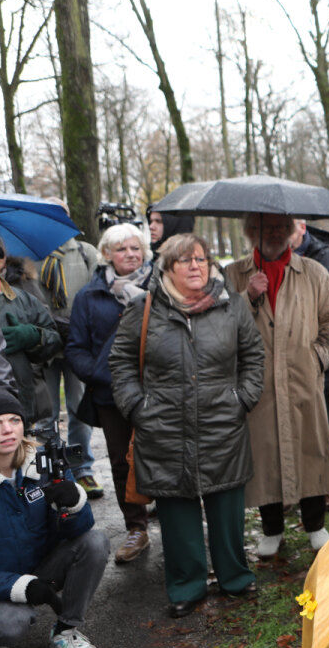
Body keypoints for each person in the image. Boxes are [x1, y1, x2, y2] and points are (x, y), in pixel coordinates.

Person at [111, 234, 265, 617]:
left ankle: (234, 576)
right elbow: (121, 361)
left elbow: (253, 355)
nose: (196, 266)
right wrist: (137, 407)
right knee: (177, 510)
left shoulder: (231, 307)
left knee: (226, 504)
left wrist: (242, 398)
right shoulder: (144, 308)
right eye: (185, 260)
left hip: (222, 422)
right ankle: (186, 584)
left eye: (201, 258)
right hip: (163, 425)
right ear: (167, 268)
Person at [224, 213, 329, 557]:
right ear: (250, 232)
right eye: (265, 227)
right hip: (257, 381)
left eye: (280, 227)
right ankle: (271, 529)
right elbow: (219, 323)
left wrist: (317, 358)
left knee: (311, 449)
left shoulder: (314, 272)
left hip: (303, 378)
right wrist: (248, 297)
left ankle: (316, 525)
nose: (273, 234)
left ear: (291, 232)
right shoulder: (233, 274)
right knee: (265, 452)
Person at [0, 387, 109, 648]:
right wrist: (22, 586)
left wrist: (73, 504)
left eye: (15, 420)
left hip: (39, 565)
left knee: (95, 542)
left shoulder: (44, 463)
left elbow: (78, 532)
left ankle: (65, 631)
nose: (8, 430)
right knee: (13, 622)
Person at [66, 224, 155, 564]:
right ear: (106, 254)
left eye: (135, 248)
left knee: (163, 455)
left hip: (156, 392)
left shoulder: (161, 288)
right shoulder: (89, 297)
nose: (130, 254)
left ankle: (176, 527)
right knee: (121, 461)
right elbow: (76, 349)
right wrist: (105, 376)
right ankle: (136, 527)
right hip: (110, 393)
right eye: (122, 249)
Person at [38, 200, 101, 498]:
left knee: (78, 411)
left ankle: (80, 469)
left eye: (61, 213)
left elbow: (95, 296)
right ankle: (53, 472)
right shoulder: (28, 255)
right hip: (41, 348)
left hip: (76, 345)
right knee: (45, 412)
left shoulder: (85, 252)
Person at [290, 220, 329, 512]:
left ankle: (326, 486)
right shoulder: (265, 261)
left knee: (322, 426)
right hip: (284, 357)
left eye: (288, 226)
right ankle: (290, 489)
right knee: (285, 426)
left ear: (302, 226)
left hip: (320, 356)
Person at [0, 233, 61, 425]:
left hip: (16, 402)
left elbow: (54, 339)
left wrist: (33, 337)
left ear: (0, 260)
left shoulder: (22, 299)